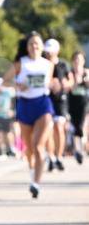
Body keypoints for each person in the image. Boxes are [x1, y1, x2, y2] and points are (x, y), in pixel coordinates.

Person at [3, 32, 53, 198]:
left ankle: (36, 184)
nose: (34, 47)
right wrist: (18, 85)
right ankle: (32, 171)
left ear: (42, 47)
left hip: (42, 104)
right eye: (31, 44)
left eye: (37, 44)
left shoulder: (48, 64)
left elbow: (49, 84)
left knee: (38, 146)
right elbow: (5, 81)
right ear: (27, 47)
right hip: (25, 105)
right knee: (29, 149)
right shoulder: (20, 63)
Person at [44, 39, 71, 172]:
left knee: (59, 128)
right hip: (46, 99)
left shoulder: (63, 65)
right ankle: (51, 157)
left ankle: (59, 156)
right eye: (47, 51)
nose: (49, 54)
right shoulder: (42, 64)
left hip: (60, 100)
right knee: (48, 129)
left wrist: (63, 84)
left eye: (51, 51)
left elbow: (70, 81)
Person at [68, 50, 89, 164]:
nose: (78, 62)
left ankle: (81, 148)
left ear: (83, 61)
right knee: (75, 127)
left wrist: (85, 80)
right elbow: (69, 87)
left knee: (81, 126)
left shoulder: (86, 72)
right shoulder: (70, 73)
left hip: (84, 103)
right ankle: (77, 149)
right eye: (76, 60)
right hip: (72, 103)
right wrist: (76, 81)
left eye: (80, 60)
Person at [0, 77, 17, 158]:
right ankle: (2, 151)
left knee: (8, 133)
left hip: (7, 116)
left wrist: (13, 110)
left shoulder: (9, 92)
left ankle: (11, 149)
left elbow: (14, 101)